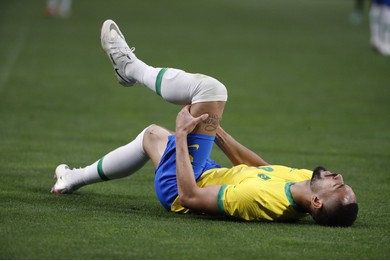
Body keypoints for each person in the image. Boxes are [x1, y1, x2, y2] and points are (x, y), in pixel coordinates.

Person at [51, 19, 359, 227]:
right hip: (208, 173)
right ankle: (71, 179)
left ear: (317, 202)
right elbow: (261, 170)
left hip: (182, 188)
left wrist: (185, 137)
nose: (338, 176)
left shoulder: (260, 201)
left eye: (338, 185)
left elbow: (190, 198)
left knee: (211, 90)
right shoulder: (306, 181)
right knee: (153, 136)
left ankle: (131, 68)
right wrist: (218, 132)